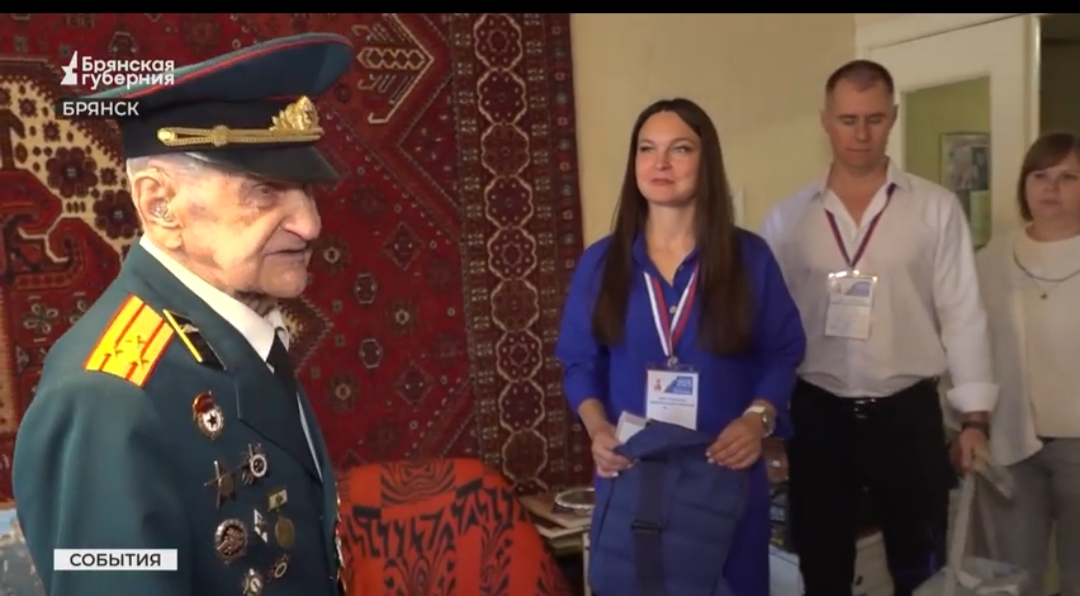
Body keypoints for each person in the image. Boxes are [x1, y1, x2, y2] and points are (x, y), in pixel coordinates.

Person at [12, 32, 354, 596]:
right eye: (265, 192)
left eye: (307, 191)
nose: (310, 224)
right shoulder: (106, 398)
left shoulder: (236, 326)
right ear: (160, 206)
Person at [761, 59, 996, 596]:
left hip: (908, 416)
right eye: (848, 120)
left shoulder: (936, 209)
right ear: (825, 121)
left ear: (893, 116)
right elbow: (768, 328)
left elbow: (963, 314)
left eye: (874, 119)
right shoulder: (787, 219)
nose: (861, 134)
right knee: (823, 572)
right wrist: (766, 421)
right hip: (817, 416)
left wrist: (975, 419)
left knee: (922, 571)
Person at [555, 97, 806, 595]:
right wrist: (597, 426)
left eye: (680, 149)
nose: (661, 163)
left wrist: (757, 419)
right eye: (647, 149)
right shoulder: (602, 264)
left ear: (706, 161)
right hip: (634, 474)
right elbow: (579, 361)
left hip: (725, 472)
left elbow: (783, 351)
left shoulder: (748, 258)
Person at [975, 131, 1080, 596]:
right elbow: (969, 344)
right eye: (1040, 176)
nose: (1051, 188)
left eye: (1068, 177)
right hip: (1011, 442)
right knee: (1014, 578)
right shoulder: (992, 258)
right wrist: (967, 425)